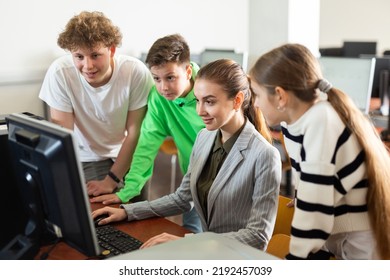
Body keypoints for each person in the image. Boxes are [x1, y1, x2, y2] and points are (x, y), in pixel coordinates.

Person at [92, 59, 282, 250]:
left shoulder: (264, 155)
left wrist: (189, 241)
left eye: (209, 102)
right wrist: (128, 212)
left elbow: (258, 236)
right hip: (206, 251)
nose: (200, 111)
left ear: (238, 100)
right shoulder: (204, 137)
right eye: (198, 101)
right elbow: (182, 198)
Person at [249, 43, 390, 260]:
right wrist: (305, 194)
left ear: (280, 96)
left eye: (257, 95)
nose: (255, 104)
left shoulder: (320, 120)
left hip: (359, 240)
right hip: (333, 231)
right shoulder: (294, 123)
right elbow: (316, 183)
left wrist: (296, 259)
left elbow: (314, 211)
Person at [88, 34, 205, 233]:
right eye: (156, 79)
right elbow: (146, 145)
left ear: (187, 71)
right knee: (191, 232)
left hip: (226, 181)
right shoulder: (158, 98)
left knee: (220, 239)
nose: (163, 87)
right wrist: (127, 192)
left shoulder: (210, 91)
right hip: (194, 180)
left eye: (170, 78)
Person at [39, 11, 153, 193]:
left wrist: (112, 179)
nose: (88, 66)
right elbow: (64, 135)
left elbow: (135, 132)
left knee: (138, 215)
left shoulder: (135, 72)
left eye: (95, 55)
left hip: (131, 151)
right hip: (88, 156)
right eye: (79, 56)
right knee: (100, 216)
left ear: (112, 50)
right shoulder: (60, 73)